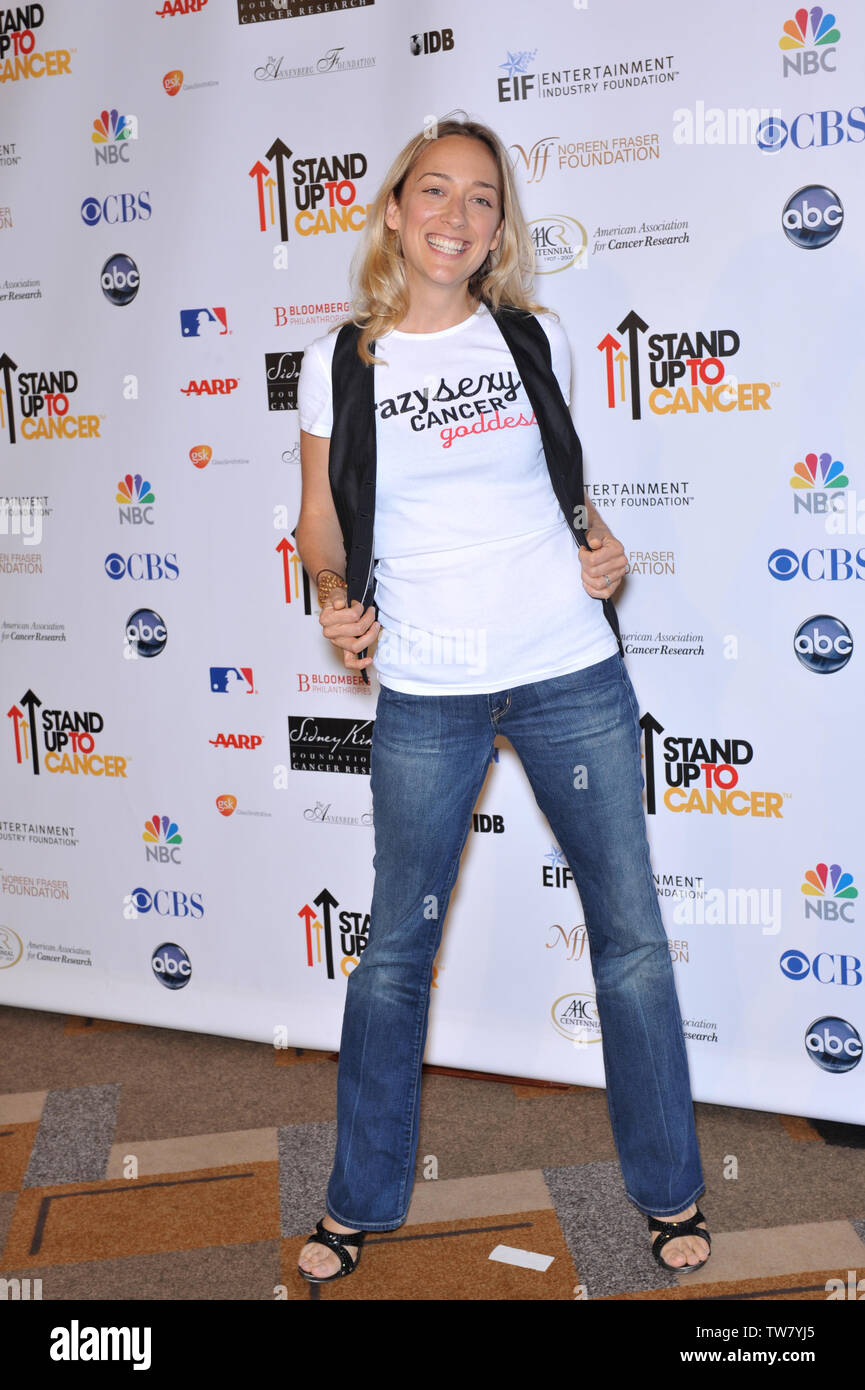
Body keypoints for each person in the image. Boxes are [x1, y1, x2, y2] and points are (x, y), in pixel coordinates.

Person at [293, 116, 711, 1285]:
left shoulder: (537, 337)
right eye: (436, 192)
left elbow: (563, 492)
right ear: (392, 210)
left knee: (629, 944)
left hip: (568, 667)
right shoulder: (343, 361)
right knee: (390, 959)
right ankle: (357, 1201)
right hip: (426, 684)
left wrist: (603, 543)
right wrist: (332, 594)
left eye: (482, 199)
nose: (457, 216)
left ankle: (670, 1192)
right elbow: (320, 523)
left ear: (498, 226)